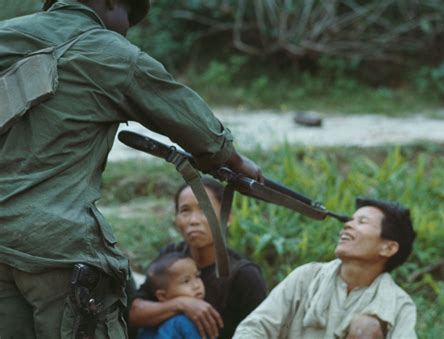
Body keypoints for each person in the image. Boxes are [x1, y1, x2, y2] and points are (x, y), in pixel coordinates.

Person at [0, 1, 262, 338]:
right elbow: (198, 128)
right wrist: (238, 163)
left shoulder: (8, 35)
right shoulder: (111, 52)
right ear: (110, 3)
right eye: (128, 17)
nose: (126, 29)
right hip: (58, 247)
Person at [234, 198, 417, 339]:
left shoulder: (399, 305)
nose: (347, 225)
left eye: (362, 222)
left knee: (366, 327)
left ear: (389, 248)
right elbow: (252, 329)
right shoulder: (306, 277)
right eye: (350, 220)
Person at [129, 177, 267, 339]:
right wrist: (182, 304)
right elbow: (135, 313)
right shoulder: (172, 258)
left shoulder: (244, 275)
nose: (193, 221)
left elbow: (262, 332)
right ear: (177, 218)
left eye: (205, 209)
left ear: (227, 218)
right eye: (185, 210)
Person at [136, 252, 205, 339]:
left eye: (197, 276)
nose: (196, 285)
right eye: (186, 281)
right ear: (162, 296)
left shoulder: (147, 324)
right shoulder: (185, 322)